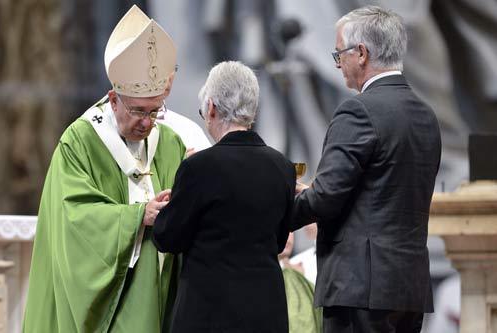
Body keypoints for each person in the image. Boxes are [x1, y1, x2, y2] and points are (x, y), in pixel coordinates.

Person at [23, 5, 185, 332]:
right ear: (113, 99)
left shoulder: (169, 143)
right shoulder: (80, 141)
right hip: (109, 299)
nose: (146, 123)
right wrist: (139, 217)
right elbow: (73, 218)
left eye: (155, 111)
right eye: (138, 110)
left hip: (160, 289)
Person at [292, 6, 441, 333]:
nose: (338, 62)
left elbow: (326, 199)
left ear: (361, 53)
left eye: (339, 53)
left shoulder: (358, 111)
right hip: (408, 287)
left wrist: (278, 208)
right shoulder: (426, 116)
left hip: (360, 287)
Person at [152, 61, 295, 332]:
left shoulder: (199, 167)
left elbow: (168, 237)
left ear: (212, 108)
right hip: (266, 311)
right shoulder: (282, 167)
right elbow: (278, 241)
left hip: (209, 311)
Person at [157, 67, 211, 156]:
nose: (167, 78)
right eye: (160, 66)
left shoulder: (190, 130)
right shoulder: (128, 128)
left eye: (171, 68)